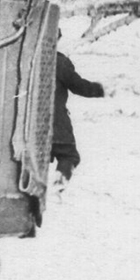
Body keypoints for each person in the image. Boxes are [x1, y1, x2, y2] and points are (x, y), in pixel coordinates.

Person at [51, 37, 105, 186]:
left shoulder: (23, 58)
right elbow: (79, 86)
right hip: (56, 125)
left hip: (25, 127)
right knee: (69, 155)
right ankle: (59, 183)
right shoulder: (59, 62)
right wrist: (102, 90)